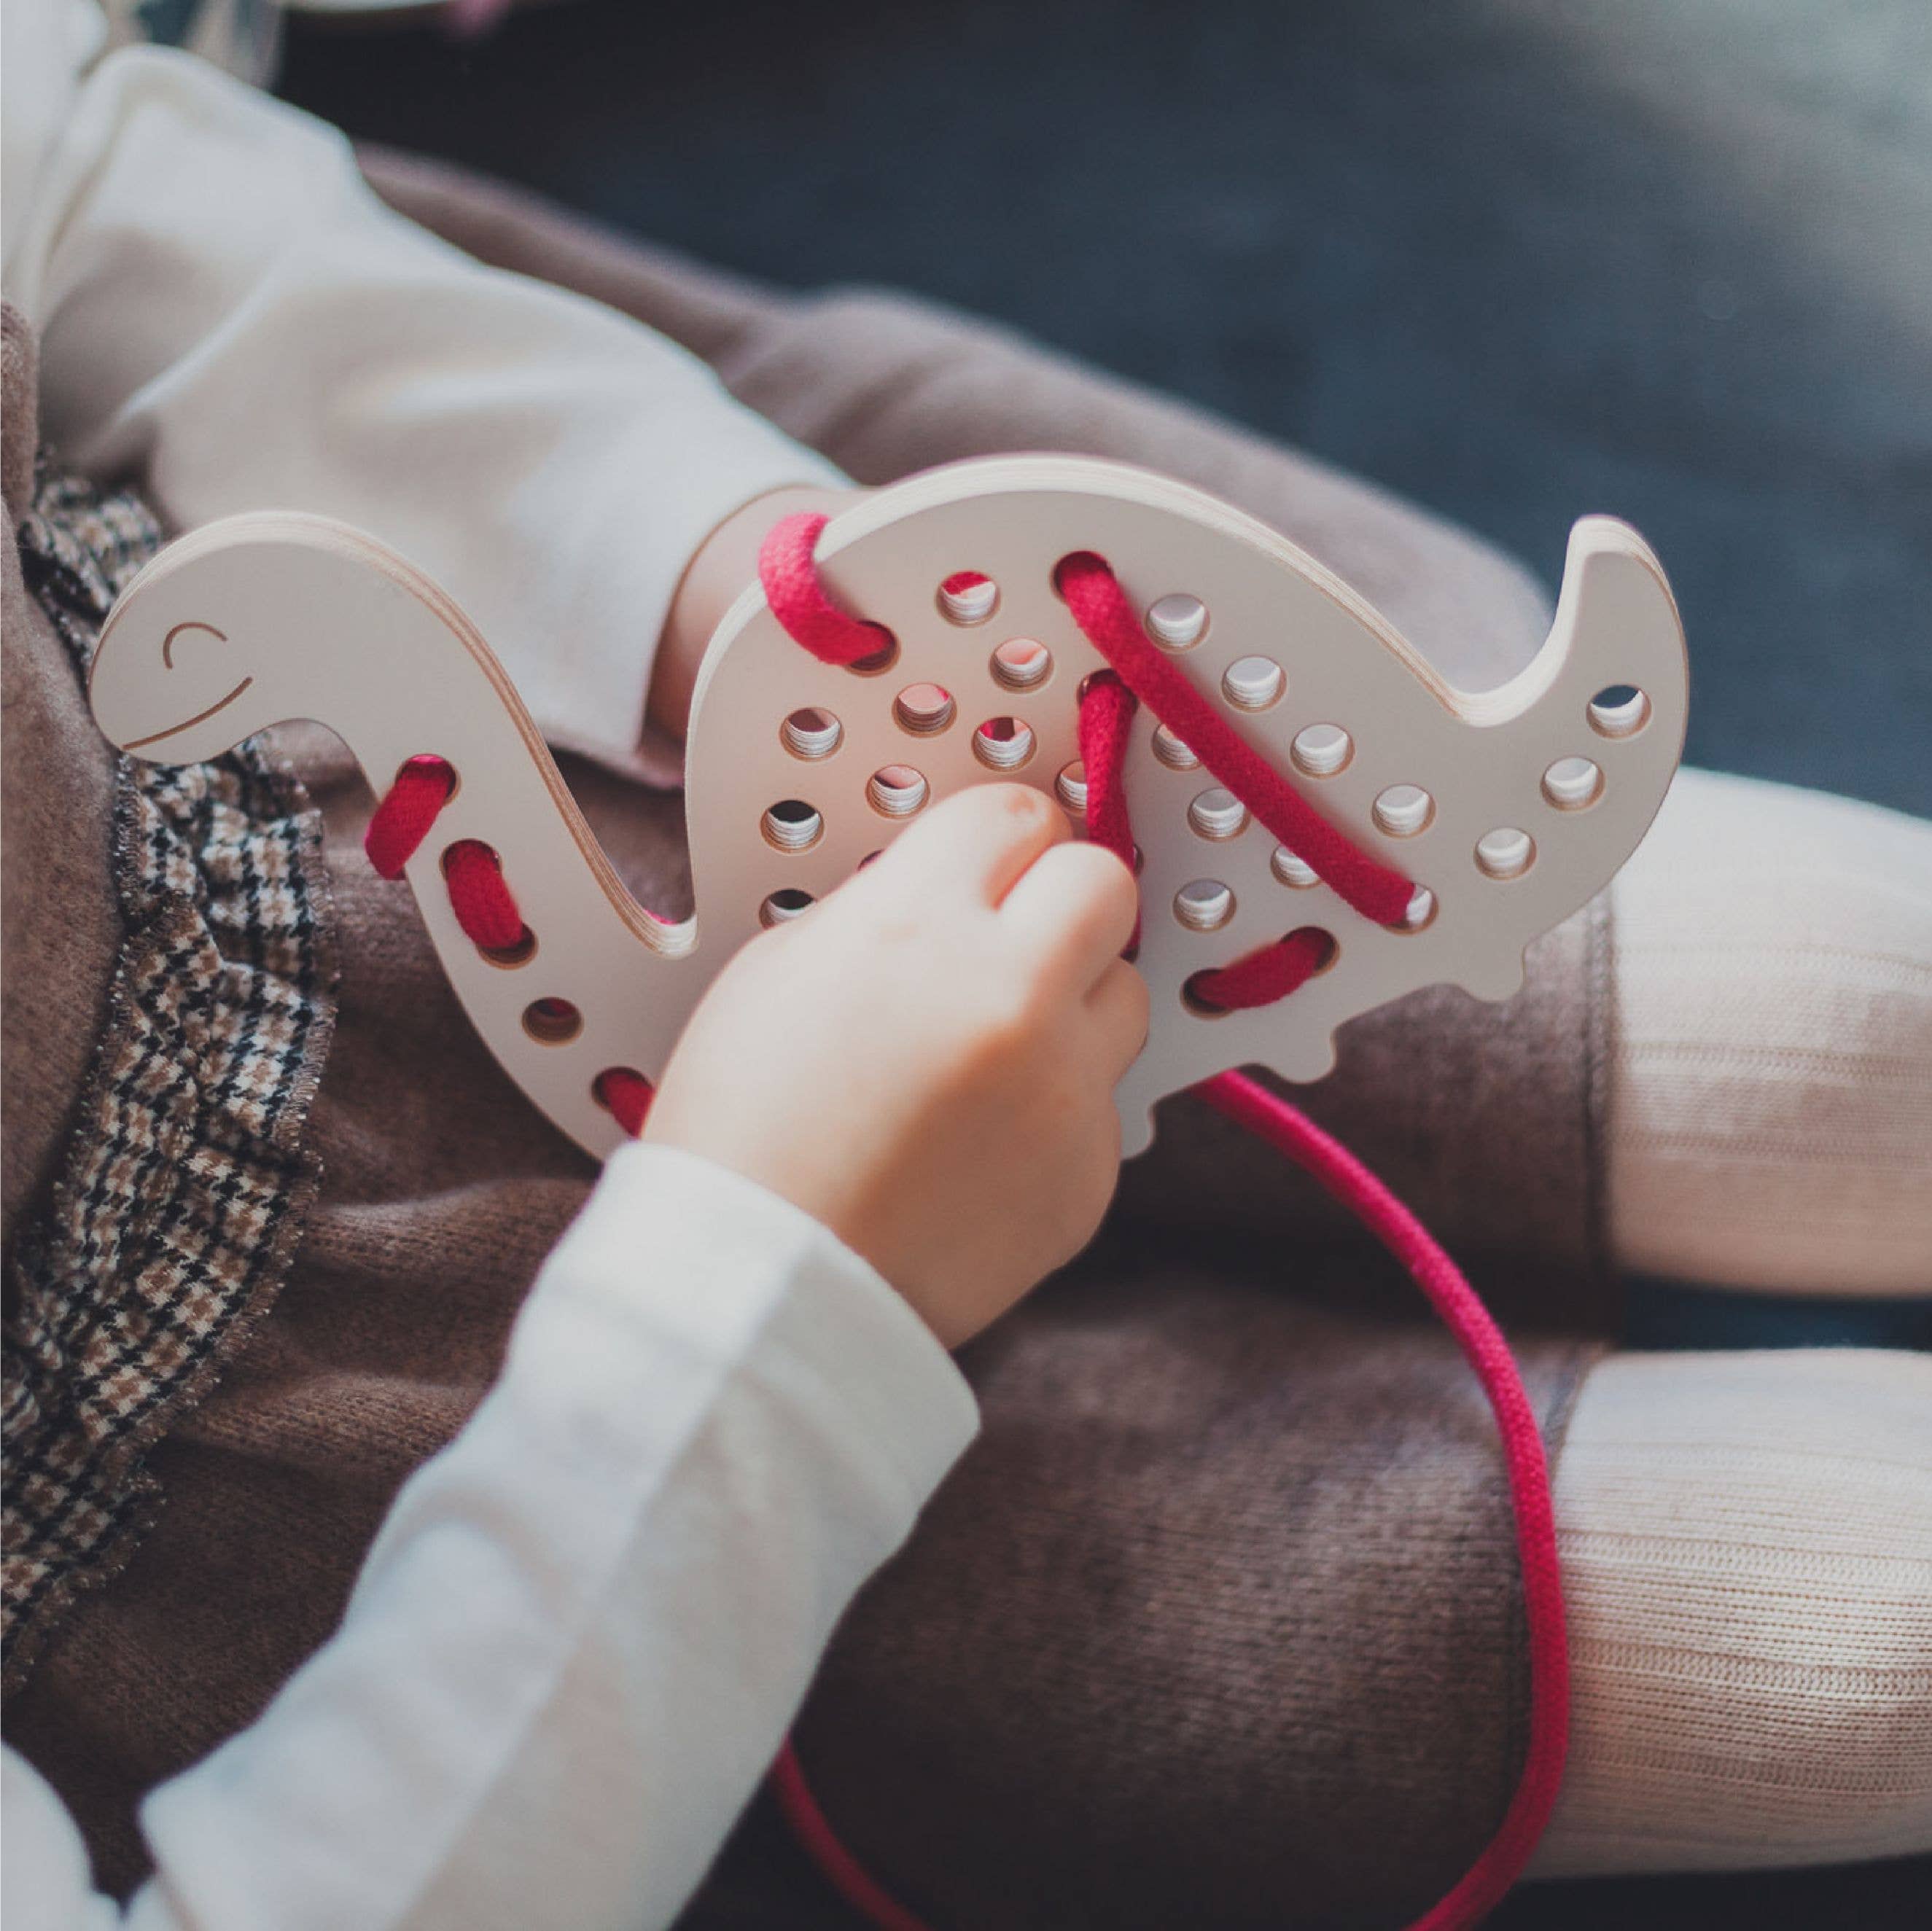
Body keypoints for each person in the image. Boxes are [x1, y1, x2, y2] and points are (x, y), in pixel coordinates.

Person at [3, 3, 1928, 1925]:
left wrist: (687, 572)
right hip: (474, 1530)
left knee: (1859, 1007)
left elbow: (87, 194)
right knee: (1840, 1629)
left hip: (486, 719)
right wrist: (772, 1309)